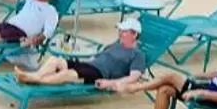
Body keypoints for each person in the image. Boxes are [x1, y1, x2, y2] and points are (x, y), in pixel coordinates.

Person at [12, 18, 151, 92]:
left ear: (134, 35)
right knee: (55, 60)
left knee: (69, 73)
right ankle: (34, 76)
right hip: (90, 64)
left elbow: (133, 78)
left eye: (124, 31)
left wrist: (110, 83)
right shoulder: (116, 44)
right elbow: (99, 55)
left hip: (100, 73)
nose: (120, 33)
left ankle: (35, 79)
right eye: (120, 30)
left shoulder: (137, 55)